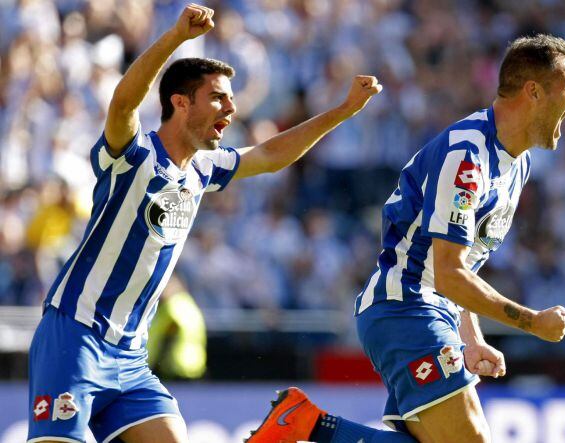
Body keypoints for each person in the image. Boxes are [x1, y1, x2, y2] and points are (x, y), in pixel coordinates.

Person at [27, 4, 382, 443]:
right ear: (180, 101)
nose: (231, 108)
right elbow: (123, 102)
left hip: (130, 354)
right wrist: (177, 38)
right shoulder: (132, 155)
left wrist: (343, 111)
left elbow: (270, 155)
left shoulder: (202, 169)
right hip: (76, 334)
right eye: (218, 97)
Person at [247, 34, 565, 443]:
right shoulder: (466, 157)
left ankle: (305, 424)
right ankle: (304, 424)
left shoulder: (517, 164)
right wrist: (531, 322)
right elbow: (449, 273)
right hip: (405, 308)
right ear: (533, 91)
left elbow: (464, 263)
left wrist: (471, 337)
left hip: (428, 312)